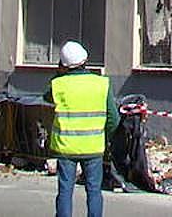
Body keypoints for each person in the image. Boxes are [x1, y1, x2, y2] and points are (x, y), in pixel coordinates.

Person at [45, 41, 120, 217]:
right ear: (86, 60)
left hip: (66, 148)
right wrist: (105, 137)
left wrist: (58, 74)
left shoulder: (58, 85)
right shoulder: (101, 84)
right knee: (94, 191)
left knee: (65, 191)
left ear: (63, 64)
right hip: (93, 147)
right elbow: (113, 118)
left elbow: (46, 96)